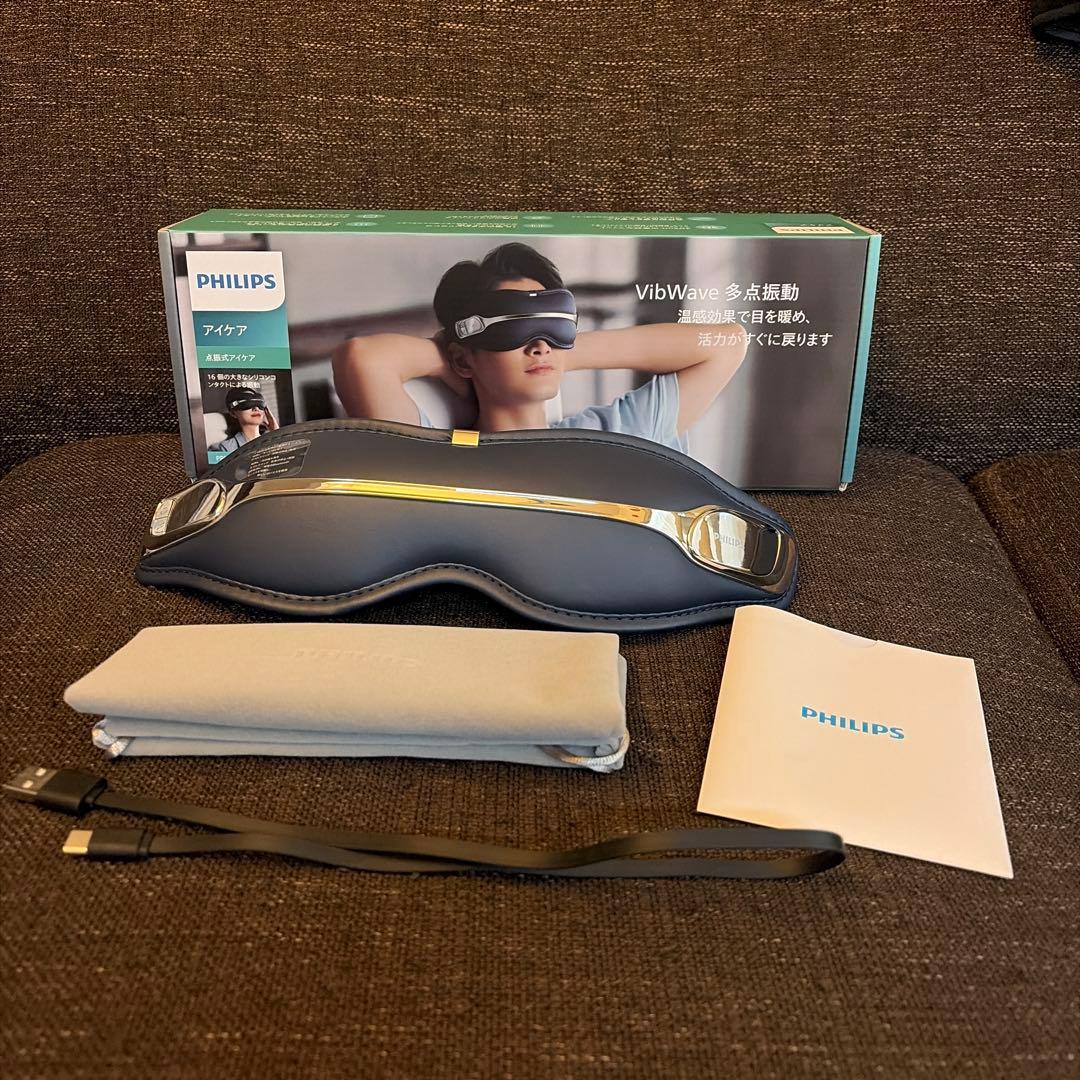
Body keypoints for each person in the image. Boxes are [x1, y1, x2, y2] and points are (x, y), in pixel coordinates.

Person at [331, 242, 748, 453]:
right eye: (513, 327)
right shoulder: (442, 453)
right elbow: (362, 358)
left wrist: (564, 351)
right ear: (462, 357)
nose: (539, 346)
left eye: (551, 324)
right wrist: (460, 357)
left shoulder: (615, 434)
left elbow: (726, 343)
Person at [208, 386, 278, 454]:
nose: (256, 408)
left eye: (258, 403)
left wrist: (277, 433)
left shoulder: (273, 440)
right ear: (233, 413)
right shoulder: (224, 449)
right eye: (247, 403)